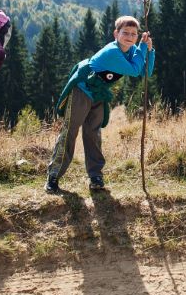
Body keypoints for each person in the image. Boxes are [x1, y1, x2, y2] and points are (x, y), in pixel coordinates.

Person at [46, 14, 155, 194]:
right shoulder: (113, 52)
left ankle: (95, 177)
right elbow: (136, 70)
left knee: (93, 134)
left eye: (134, 34)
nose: (129, 36)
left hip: (99, 94)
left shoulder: (129, 51)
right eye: (125, 33)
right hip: (82, 90)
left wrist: (149, 50)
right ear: (115, 34)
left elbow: (145, 72)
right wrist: (142, 47)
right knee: (70, 132)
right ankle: (53, 176)